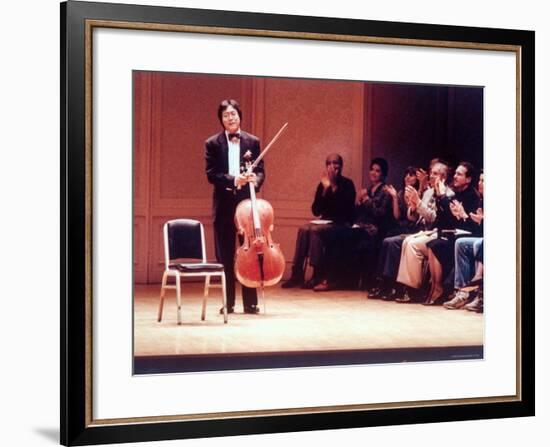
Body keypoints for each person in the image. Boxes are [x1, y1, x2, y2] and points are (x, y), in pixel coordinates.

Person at [205, 99, 264, 314]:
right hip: (223, 205)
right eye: (226, 115)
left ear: (240, 116)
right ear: (221, 120)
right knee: (225, 255)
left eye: (234, 114)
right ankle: (227, 302)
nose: (231, 118)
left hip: (246, 206)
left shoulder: (253, 141)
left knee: (249, 253)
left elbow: (261, 171)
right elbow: (211, 175)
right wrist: (233, 180)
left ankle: (251, 303)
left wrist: (252, 181)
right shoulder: (212, 143)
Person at [281, 153, 356, 289]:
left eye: (335, 163)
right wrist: (325, 189)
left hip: (342, 224)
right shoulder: (323, 185)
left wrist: (333, 186)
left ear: (341, 166)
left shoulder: (348, 184)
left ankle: (317, 275)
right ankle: (297, 274)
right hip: (326, 222)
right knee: (304, 229)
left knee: (315, 231)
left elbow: (344, 210)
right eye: (329, 163)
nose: (332, 166)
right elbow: (316, 210)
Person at [424, 162, 481, 305]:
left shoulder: (472, 196)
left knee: (438, 244)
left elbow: (469, 225)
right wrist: (440, 197)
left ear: (468, 179)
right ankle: (435, 287)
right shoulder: (457, 193)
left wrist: (464, 215)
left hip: (467, 235)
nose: (455, 176)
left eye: (459, 174)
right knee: (432, 244)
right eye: (455, 173)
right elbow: (448, 218)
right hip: (454, 234)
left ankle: (447, 289)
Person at [394, 160, 451, 303]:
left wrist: (418, 203)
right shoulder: (428, 192)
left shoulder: (448, 194)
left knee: (412, 244)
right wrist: (413, 206)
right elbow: (414, 217)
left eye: (436, 174)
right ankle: (408, 289)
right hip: (424, 231)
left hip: (437, 232)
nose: (432, 176)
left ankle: (413, 289)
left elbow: (434, 218)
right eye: (431, 173)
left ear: (443, 178)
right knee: (407, 241)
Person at [367, 166, 420, 300]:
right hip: (402, 227)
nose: (408, 177)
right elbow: (397, 216)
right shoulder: (401, 193)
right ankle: (382, 281)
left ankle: (389, 284)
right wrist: (395, 198)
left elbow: (412, 218)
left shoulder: (420, 192)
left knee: (390, 239)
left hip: (415, 229)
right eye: (406, 174)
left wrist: (414, 199)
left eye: (412, 175)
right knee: (386, 238)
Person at [444, 171, 484, 311]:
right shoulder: (481, 200)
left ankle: (479, 292)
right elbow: (472, 227)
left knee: (480, 244)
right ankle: (462, 291)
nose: (480, 183)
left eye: (483, 181)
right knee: (461, 243)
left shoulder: (474, 197)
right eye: (480, 180)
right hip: (476, 235)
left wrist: (467, 217)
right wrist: (462, 217)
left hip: (482, 237)